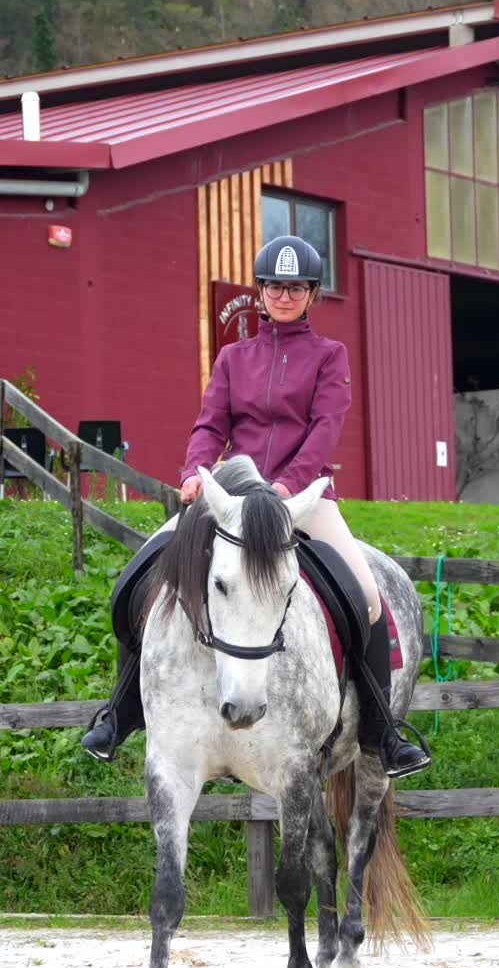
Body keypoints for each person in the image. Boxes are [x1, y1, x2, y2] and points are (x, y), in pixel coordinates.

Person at [82, 235, 430, 778]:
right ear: (261, 292)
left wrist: (289, 486)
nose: (284, 296)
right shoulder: (233, 357)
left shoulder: (329, 356)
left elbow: (325, 429)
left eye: (296, 288)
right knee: (140, 579)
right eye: (274, 286)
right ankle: (121, 711)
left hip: (302, 499)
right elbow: (210, 425)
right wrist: (195, 473)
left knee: (366, 598)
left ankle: (381, 732)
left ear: (312, 294)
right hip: (232, 494)